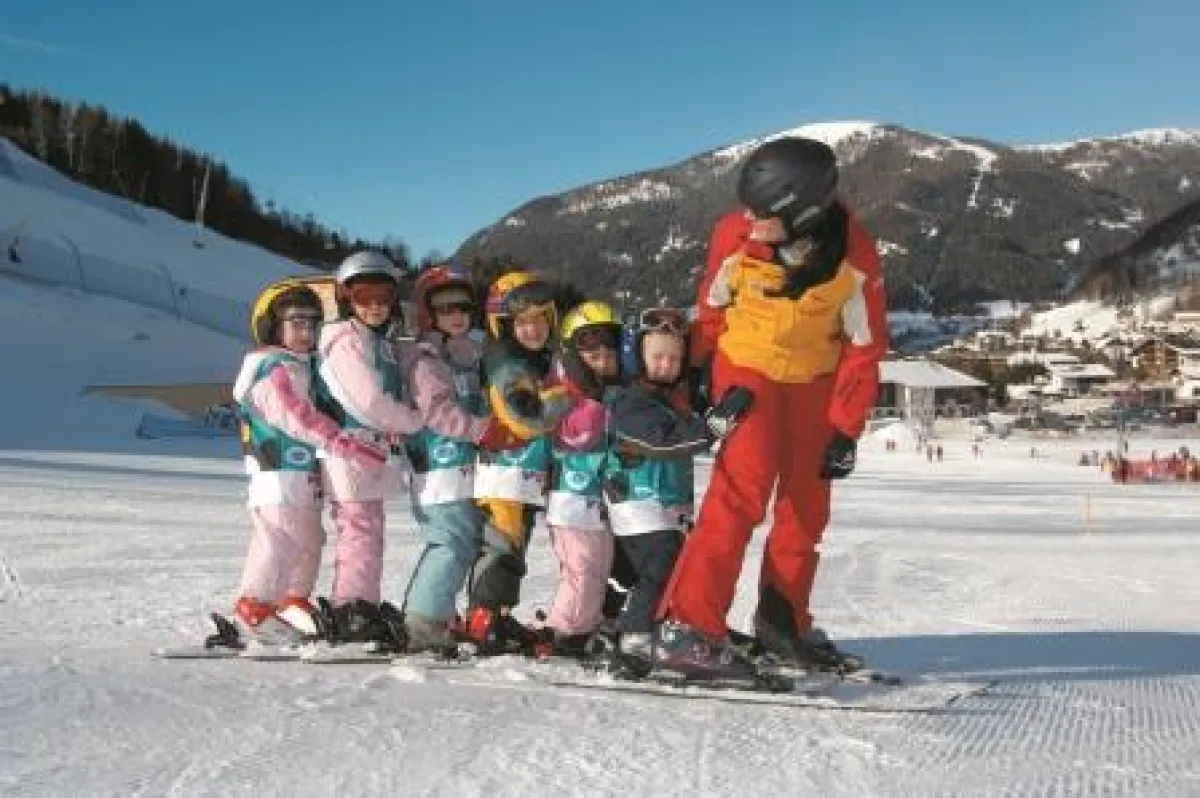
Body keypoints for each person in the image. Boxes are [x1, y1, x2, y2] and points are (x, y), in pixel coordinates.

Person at [657, 136, 888, 678]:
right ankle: (688, 628)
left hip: (816, 382)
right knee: (741, 494)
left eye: (767, 215)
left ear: (807, 213)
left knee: (807, 508)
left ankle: (783, 623)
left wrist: (845, 429)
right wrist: (690, 377)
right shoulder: (733, 238)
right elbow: (711, 313)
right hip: (748, 373)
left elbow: (864, 347)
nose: (751, 222)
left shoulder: (855, 258)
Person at [232, 281, 388, 642]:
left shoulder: (302, 366)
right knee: (279, 538)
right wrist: (339, 440)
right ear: (274, 325)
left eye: (313, 324)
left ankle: (291, 600)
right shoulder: (270, 368)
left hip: (303, 474)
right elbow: (296, 416)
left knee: (309, 539)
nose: (306, 332)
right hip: (277, 472)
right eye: (296, 323)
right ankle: (254, 606)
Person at [602, 307, 751, 676]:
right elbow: (666, 444)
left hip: (666, 506)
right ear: (637, 356)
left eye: (674, 358)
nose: (666, 364)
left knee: (676, 567)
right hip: (638, 504)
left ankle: (662, 625)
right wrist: (714, 427)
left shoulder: (671, 399)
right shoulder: (630, 402)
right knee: (662, 565)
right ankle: (635, 636)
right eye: (657, 356)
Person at [398, 264, 522, 652]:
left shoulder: (471, 354)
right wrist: (484, 430)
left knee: (466, 543)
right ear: (428, 313)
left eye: (462, 308)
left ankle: (443, 613)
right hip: (437, 468)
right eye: (445, 308)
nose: (455, 315)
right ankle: (423, 621)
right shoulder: (425, 360)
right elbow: (439, 413)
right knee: (450, 544)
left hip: (467, 469)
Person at [315, 250, 436, 645]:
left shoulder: (375, 341)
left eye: (384, 297)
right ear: (346, 297)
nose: (375, 306)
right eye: (364, 296)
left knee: (367, 530)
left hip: (369, 451)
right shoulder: (346, 341)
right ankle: (352, 608)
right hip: (350, 450)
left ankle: (360, 603)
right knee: (359, 530)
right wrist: (417, 420)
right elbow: (370, 402)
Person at [466, 270, 572, 651]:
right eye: (523, 323)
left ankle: (499, 616)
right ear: (503, 325)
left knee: (513, 547)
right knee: (501, 546)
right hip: (504, 475)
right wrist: (565, 397)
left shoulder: (530, 360)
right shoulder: (507, 364)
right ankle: (483, 618)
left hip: (521, 474)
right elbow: (524, 417)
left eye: (541, 321)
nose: (533, 330)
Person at [541, 300, 624, 653]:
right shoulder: (566, 391)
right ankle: (566, 629)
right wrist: (593, 403)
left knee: (601, 561)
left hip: (597, 498)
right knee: (582, 564)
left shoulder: (610, 392)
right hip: (570, 496)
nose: (601, 352)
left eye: (609, 343)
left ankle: (587, 624)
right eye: (590, 344)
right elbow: (574, 436)